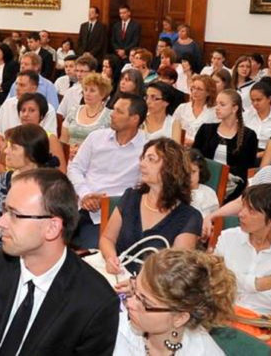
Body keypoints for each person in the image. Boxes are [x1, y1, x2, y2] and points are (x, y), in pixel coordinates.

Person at [0, 168, 119, 355]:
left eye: (14, 214)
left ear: (52, 228)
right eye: (5, 210)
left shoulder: (96, 303)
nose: (0, 222)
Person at [99, 138, 202, 275]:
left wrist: (138, 283)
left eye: (151, 159)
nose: (142, 164)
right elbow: (107, 238)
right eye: (143, 158)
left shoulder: (189, 217)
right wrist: (111, 258)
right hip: (117, 275)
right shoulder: (131, 197)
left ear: (170, 167)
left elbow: (177, 272)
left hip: (155, 285)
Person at [213, 183, 271, 327]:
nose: (241, 214)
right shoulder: (227, 237)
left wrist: (234, 286)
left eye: (251, 211)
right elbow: (215, 281)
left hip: (263, 323)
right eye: (243, 207)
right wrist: (255, 284)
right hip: (222, 315)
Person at [68, 93, 147, 249]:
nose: (112, 114)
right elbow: (75, 168)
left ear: (134, 119)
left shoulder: (147, 149)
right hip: (81, 206)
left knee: (92, 250)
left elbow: (145, 188)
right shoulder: (96, 138)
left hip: (116, 215)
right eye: (113, 109)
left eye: (119, 111)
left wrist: (108, 201)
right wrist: (85, 194)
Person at [120, 249, 234, 355]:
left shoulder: (203, 352)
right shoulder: (118, 328)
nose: (129, 303)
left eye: (145, 303)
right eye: (134, 289)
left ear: (179, 318)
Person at [0, 124, 57, 249]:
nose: (6, 151)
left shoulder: (48, 187)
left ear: (31, 154)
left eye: (13, 148)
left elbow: (36, 235)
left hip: (32, 253)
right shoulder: (3, 180)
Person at [193, 89, 258, 202]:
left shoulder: (249, 135)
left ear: (234, 108)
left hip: (232, 187)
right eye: (216, 104)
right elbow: (194, 157)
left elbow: (246, 169)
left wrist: (225, 175)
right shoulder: (206, 129)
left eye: (222, 105)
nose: (217, 108)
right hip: (204, 181)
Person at [0, 71, 58, 136]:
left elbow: (49, 138)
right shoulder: (7, 104)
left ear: (34, 88)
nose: (17, 88)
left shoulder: (49, 109)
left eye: (22, 85)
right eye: (16, 84)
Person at [60, 72, 112, 153]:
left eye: (92, 91)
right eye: (85, 89)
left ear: (102, 94)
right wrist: (69, 151)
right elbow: (63, 140)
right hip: (70, 157)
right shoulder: (73, 110)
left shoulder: (110, 116)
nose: (87, 93)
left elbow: (110, 146)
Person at [244, 80, 271, 153]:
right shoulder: (246, 115)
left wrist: (259, 155)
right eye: (252, 100)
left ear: (269, 99)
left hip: (268, 153)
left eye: (259, 100)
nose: (255, 103)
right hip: (246, 151)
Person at [188, 148, 219, 216]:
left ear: (200, 171)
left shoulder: (209, 193)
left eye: (193, 172)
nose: (189, 176)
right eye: (186, 172)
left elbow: (214, 218)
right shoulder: (175, 191)